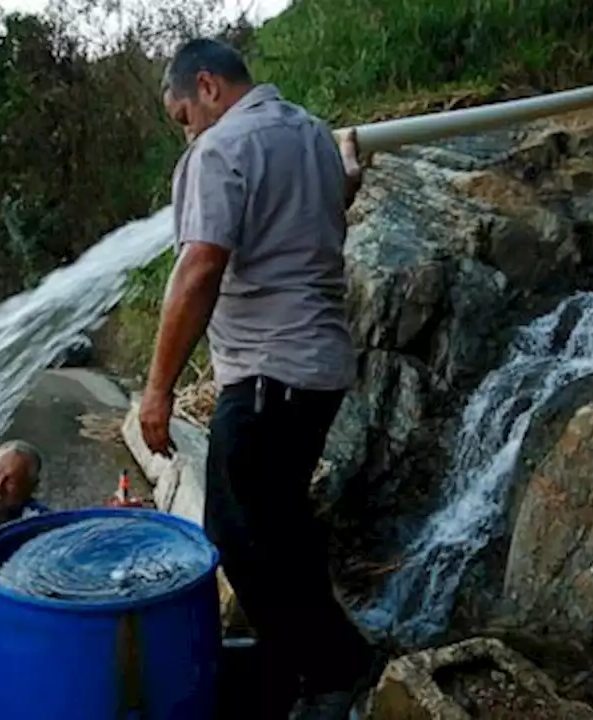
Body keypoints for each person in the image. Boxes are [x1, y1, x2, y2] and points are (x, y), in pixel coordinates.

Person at [139, 37, 380, 720]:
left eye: (183, 115)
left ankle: (337, 671)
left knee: (240, 538)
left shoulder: (219, 150)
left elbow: (200, 268)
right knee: (281, 527)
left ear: (208, 87)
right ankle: (304, 669)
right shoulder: (309, 133)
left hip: (269, 373)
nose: (187, 131)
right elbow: (316, 217)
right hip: (319, 369)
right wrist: (350, 182)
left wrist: (158, 388)